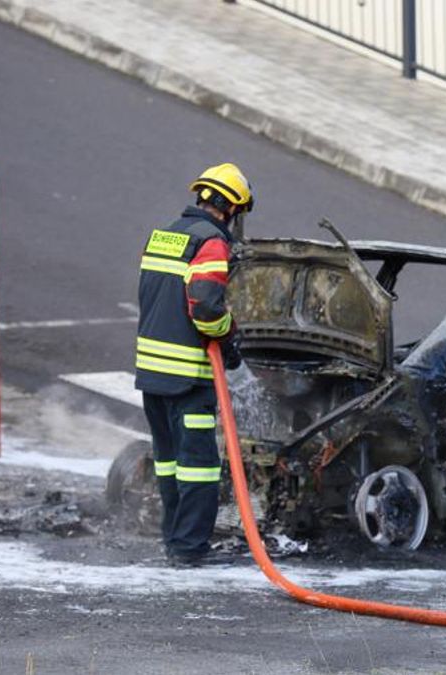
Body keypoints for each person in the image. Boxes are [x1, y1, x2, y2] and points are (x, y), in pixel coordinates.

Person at [134, 162, 251, 566]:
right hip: (189, 376)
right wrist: (227, 335)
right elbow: (204, 306)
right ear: (232, 209)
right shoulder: (211, 243)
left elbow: (156, 298)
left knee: (167, 465)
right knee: (199, 469)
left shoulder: (163, 236)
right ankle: (189, 549)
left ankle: (173, 541)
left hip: (153, 372)